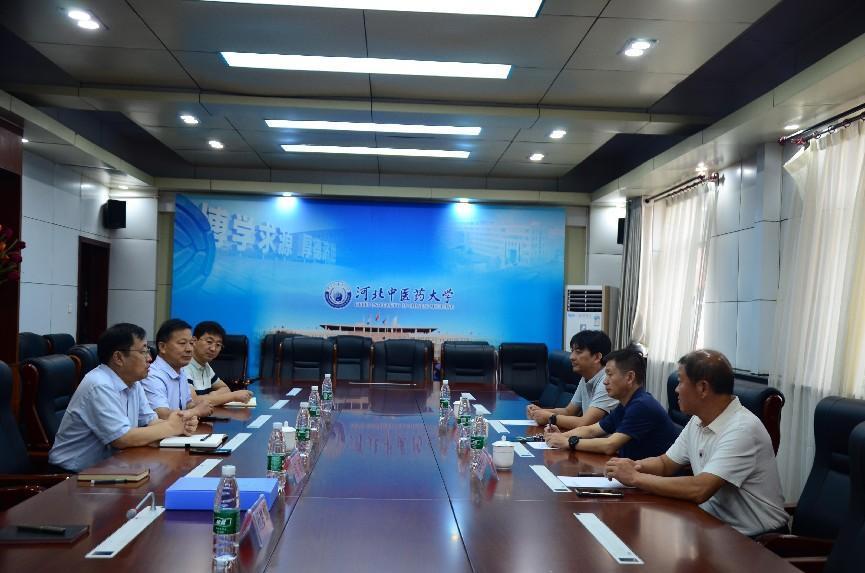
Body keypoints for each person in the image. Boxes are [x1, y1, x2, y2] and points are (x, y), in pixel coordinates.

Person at [605, 349, 788, 537]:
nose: (676, 389)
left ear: (702, 388)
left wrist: (635, 478)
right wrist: (633, 466)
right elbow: (665, 463)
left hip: (757, 541)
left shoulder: (742, 429)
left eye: (680, 382)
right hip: (711, 525)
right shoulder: (698, 420)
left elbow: (700, 489)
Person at [48, 323, 198, 472]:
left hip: (113, 466)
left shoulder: (133, 382)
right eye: (143, 352)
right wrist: (171, 427)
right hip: (73, 475)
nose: (149, 358)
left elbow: (150, 421)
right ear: (119, 358)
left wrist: (182, 424)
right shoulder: (99, 384)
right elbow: (121, 438)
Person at [545, 346, 680, 459]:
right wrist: (558, 437)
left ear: (629, 377)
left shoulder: (642, 405)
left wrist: (568, 442)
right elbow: (592, 430)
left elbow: (610, 445)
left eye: (609, 374)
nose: (605, 381)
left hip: (657, 477)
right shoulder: (626, 404)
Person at [526, 330, 618, 430]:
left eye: (578, 352)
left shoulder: (607, 381)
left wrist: (550, 417)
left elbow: (584, 423)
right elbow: (569, 411)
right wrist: (540, 411)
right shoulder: (586, 377)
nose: (571, 357)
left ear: (596, 357)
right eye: (572, 351)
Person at [141, 318, 213, 419]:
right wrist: (196, 411)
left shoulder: (181, 370)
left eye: (191, 343)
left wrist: (199, 406)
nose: (189, 349)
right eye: (182, 343)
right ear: (162, 347)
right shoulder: (152, 375)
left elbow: (186, 404)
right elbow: (162, 414)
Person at [184, 320, 253, 407]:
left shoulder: (205, 365)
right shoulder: (184, 365)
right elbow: (193, 402)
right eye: (209, 342)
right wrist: (233, 396)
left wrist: (209, 397)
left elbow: (225, 389)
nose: (213, 348)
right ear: (194, 341)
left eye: (218, 344)